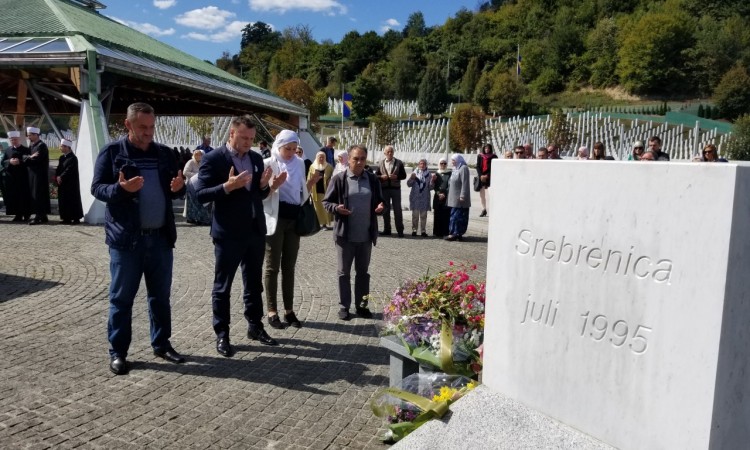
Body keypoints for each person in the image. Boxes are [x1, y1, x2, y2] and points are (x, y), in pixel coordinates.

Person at [90, 102, 186, 375]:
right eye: (142, 127)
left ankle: (162, 343)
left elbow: (174, 189)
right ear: (128, 125)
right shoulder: (112, 153)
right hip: (126, 241)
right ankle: (118, 352)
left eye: (152, 127)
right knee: (121, 299)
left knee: (160, 297)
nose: (148, 132)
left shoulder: (164, 154)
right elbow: (97, 187)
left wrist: (179, 189)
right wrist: (120, 189)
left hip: (160, 239)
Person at [193, 115, 277, 358]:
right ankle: (222, 334)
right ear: (231, 134)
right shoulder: (213, 159)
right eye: (243, 138)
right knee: (223, 286)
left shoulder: (255, 158)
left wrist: (264, 186)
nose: (247, 143)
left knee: (253, 283)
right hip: (228, 232)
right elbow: (200, 195)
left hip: (254, 230)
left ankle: (255, 326)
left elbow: (256, 196)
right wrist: (228, 186)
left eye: (251, 139)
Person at [262, 130, 322, 330]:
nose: (290, 152)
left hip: (293, 220)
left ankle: (289, 310)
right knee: (272, 266)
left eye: (294, 149)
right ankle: (272, 311)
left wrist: (310, 184)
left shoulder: (299, 163)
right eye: (287, 148)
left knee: (289, 266)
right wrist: (272, 186)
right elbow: (261, 194)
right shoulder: (269, 163)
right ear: (278, 146)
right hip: (275, 219)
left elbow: (300, 195)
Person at [323, 144, 384, 320]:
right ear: (348, 159)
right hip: (345, 236)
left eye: (362, 159)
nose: (359, 162)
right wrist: (336, 208)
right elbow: (326, 202)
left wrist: (381, 207)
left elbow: (381, 202)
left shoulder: (372, 180)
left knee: (363, 273)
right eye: (355, 158)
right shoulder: (339, 179)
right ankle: (344, 306)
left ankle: (362, 306)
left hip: (365, 236)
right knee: (344, 273)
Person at [375, 145, 407, 237]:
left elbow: (404, 175)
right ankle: (387, 229)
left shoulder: (399, 163)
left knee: (397, 210)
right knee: (386, 210)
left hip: (395, 189)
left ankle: (400, 230)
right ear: (384, 153)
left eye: (391, 151)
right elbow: (376, 176)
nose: (390, 153)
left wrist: (396, 177)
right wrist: (381, 177)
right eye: (388, 152)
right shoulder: (380, 163)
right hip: (384, 189)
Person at [0, 130, 31, 221]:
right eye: (12, 140)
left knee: (24, 196)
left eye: (15, 139)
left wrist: (19, 162)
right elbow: (3, 161)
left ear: (19, 139)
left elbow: (28, 161)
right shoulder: (8, 150)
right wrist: (10, 161)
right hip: (12, 178)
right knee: (14, 197)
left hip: (23, 177)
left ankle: (26, 214)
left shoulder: (25, 149)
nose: (14, 141)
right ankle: (17, 215)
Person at [25, 127, 50, 225]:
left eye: (30, 135)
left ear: (36, 135)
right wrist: (30, 157)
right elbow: (25, 157)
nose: (28, 137)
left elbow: (37, 159)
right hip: (33, 174)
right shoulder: (32, 146)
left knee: (38, 194)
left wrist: (29, 159)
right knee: (35, 194)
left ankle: (38, 216)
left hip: (39, 174)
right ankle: (43, 215)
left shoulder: (41, 146)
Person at [55, 139, 83, 224]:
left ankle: (75, 218)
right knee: (64, 200)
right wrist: (57, 177)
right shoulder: (62, 157)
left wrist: (61, 176)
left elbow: (69, 169)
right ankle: (66, 218)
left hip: (71, 183)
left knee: (72, 200)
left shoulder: (73, 158)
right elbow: (59, 168)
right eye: (61, 146)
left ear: (68, 147)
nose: (61, 148)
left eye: (63, 146)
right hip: (62, 183)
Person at [445, 153, 471, 242]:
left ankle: (454, 234)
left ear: (458, 160)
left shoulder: (463, 168)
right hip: (453, 197)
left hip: (460, 198)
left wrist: (463, 195)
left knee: (458, 217)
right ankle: (456, 233)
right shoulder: (455, 169)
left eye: (453, 160)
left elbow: (465, 183)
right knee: (454, 216)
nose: (452, 162)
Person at [183, 149, 211, 225]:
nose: (198, 156)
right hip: (191, 184)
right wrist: (196, 175)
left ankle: (199, 218)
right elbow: (185, 172)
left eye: (200, 155)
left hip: (199, 184)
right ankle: (190, 218)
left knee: (197, 203)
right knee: (191, 203)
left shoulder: (202, 162)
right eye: (197, 155)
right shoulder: (191, 162)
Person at [407, 158, 432, 237]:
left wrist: (433, 181)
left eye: (424, 164)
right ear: (418, 165)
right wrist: (411, 178)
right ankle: (414, 230)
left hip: (424, 198)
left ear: (426, 165)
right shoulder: (414, 173)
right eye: (421, 163)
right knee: (415, 216)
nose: (422, 165)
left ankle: (423, 231)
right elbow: (409, 184)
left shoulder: (429, 174)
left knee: (423, 216)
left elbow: (431, 187)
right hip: (415, 198)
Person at [309, 150, 333, 229]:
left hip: (325, 191)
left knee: (324, 208)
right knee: (317, 208)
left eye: (323, 157)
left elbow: (333, 177)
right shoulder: (312, 167)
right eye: (320, 157)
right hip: (315, 191)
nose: (321, 159)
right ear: (317, 158)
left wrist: (330, 180)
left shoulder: (329, 167)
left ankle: (324, 224)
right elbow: (309, 178)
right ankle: (318, 224)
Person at [476, 143, 497, 217]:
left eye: (488, 148)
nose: (487, 150)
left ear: (490, 149)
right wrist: (481, 175)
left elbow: (494, 167)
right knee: (482, 195)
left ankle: (493, 209)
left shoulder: (494, 156)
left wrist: (487, 176)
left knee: (490, 194)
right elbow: (478, 166)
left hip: (490, 177)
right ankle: (484, 209)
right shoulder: (480, 156)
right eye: (485, 148)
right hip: (481, 177)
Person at [432, 158, 451, 238]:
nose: (443, 165)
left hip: (446, 197)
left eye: (444, 163)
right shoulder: (436, 173)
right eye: (441, 163)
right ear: (439, 164)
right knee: (437, 214)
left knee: (446, 215)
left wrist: (444, 194)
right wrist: (438, 194)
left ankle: (445, 232)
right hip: (437, 197)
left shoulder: (449, 173)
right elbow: (434, 186)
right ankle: (437, 232)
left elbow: (450, 185)